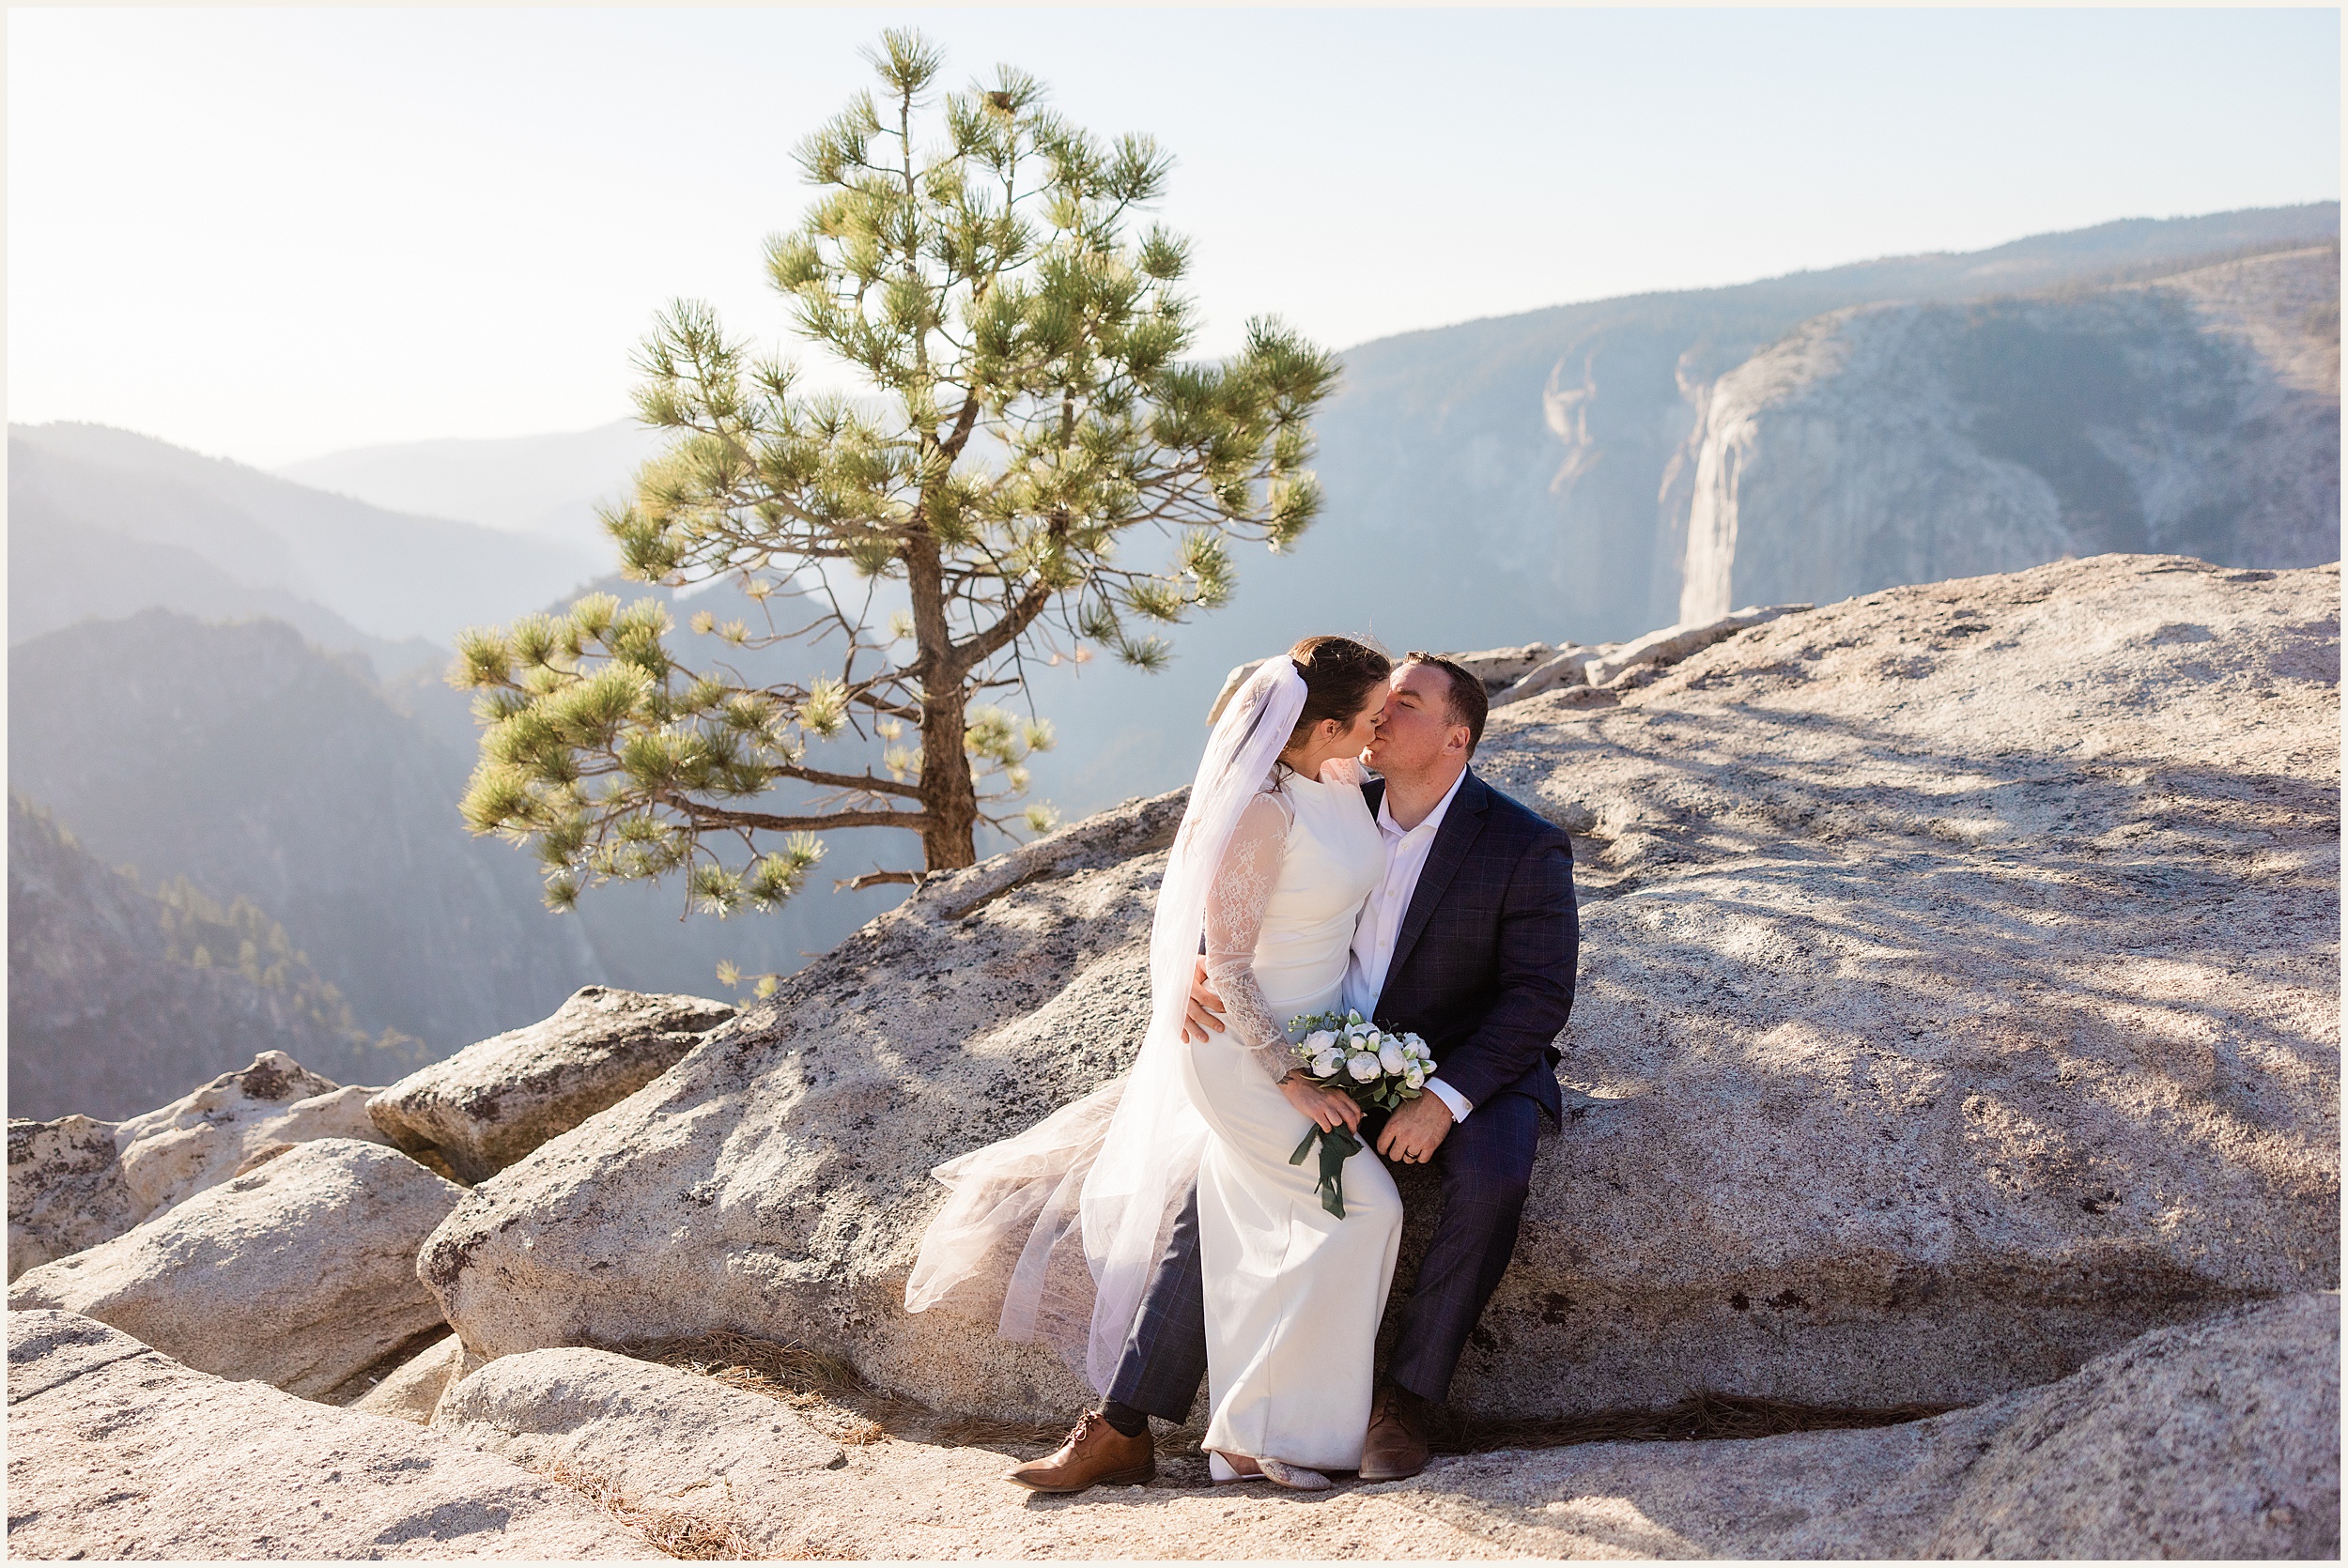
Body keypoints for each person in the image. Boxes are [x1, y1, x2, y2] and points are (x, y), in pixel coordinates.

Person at [1002, 651, 1580, 1492]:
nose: (1382, 717)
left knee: (1493, 1180)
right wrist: (1205, 967)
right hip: (1319, 1055)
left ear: (1458, 738)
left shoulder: (1523, 843)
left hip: (1460, 1065)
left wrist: (1443, 1100)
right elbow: (1242, 886)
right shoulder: (1340, 791)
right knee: (1216, 1186)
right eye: (1380, 703)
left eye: (1407, 705)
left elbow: (1538, 996)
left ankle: (1407, 1405)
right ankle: (1124, 1424)